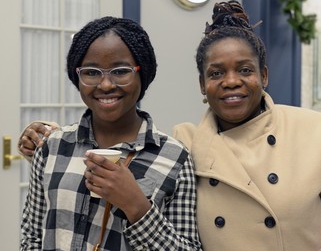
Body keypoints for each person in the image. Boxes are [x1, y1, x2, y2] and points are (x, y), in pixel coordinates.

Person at [18, 1, 321, 251]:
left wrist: (136, 204)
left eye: (245, 70)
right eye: (216, 73)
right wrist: (45, 137)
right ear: (202, 85)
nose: (231, 81)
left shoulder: (315, 130)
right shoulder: (187, 141)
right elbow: (32, 234)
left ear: (264, 75)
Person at [19, 16, 201, 250]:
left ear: (141, 74)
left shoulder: (174, 158)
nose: (105, 85)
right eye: (92, 72)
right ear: (78, 77)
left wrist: (136, 206)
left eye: (121, 71)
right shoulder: (52, 147)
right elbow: (32, 236)